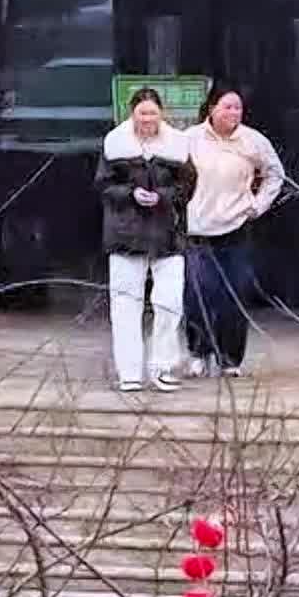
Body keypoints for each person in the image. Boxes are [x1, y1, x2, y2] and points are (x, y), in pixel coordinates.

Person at [95, 88, 196, 393]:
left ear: (161, 114)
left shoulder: (177, 145)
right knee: (125, 304)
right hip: (125, 234)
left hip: (168, 234)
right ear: (132, 114)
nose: (148, 119)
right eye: (142, 113)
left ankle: (163, 367)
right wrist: (131, 194)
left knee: (170, 303)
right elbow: (104, 185)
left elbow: (188, 186)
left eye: (152, 113)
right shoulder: (115, 143)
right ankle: (129, 373)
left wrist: (162, 197)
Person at [184, 84, 283, 379]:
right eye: (227, 106)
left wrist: (258, 205)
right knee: (198, 294)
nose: (234, 112)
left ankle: (229, 359)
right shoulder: (190, 138)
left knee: (234, 296)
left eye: (238, 107)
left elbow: (275, 174)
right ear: (212, 108)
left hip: (237, 227)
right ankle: (198, 353)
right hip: (198, 228)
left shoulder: (253, 140)